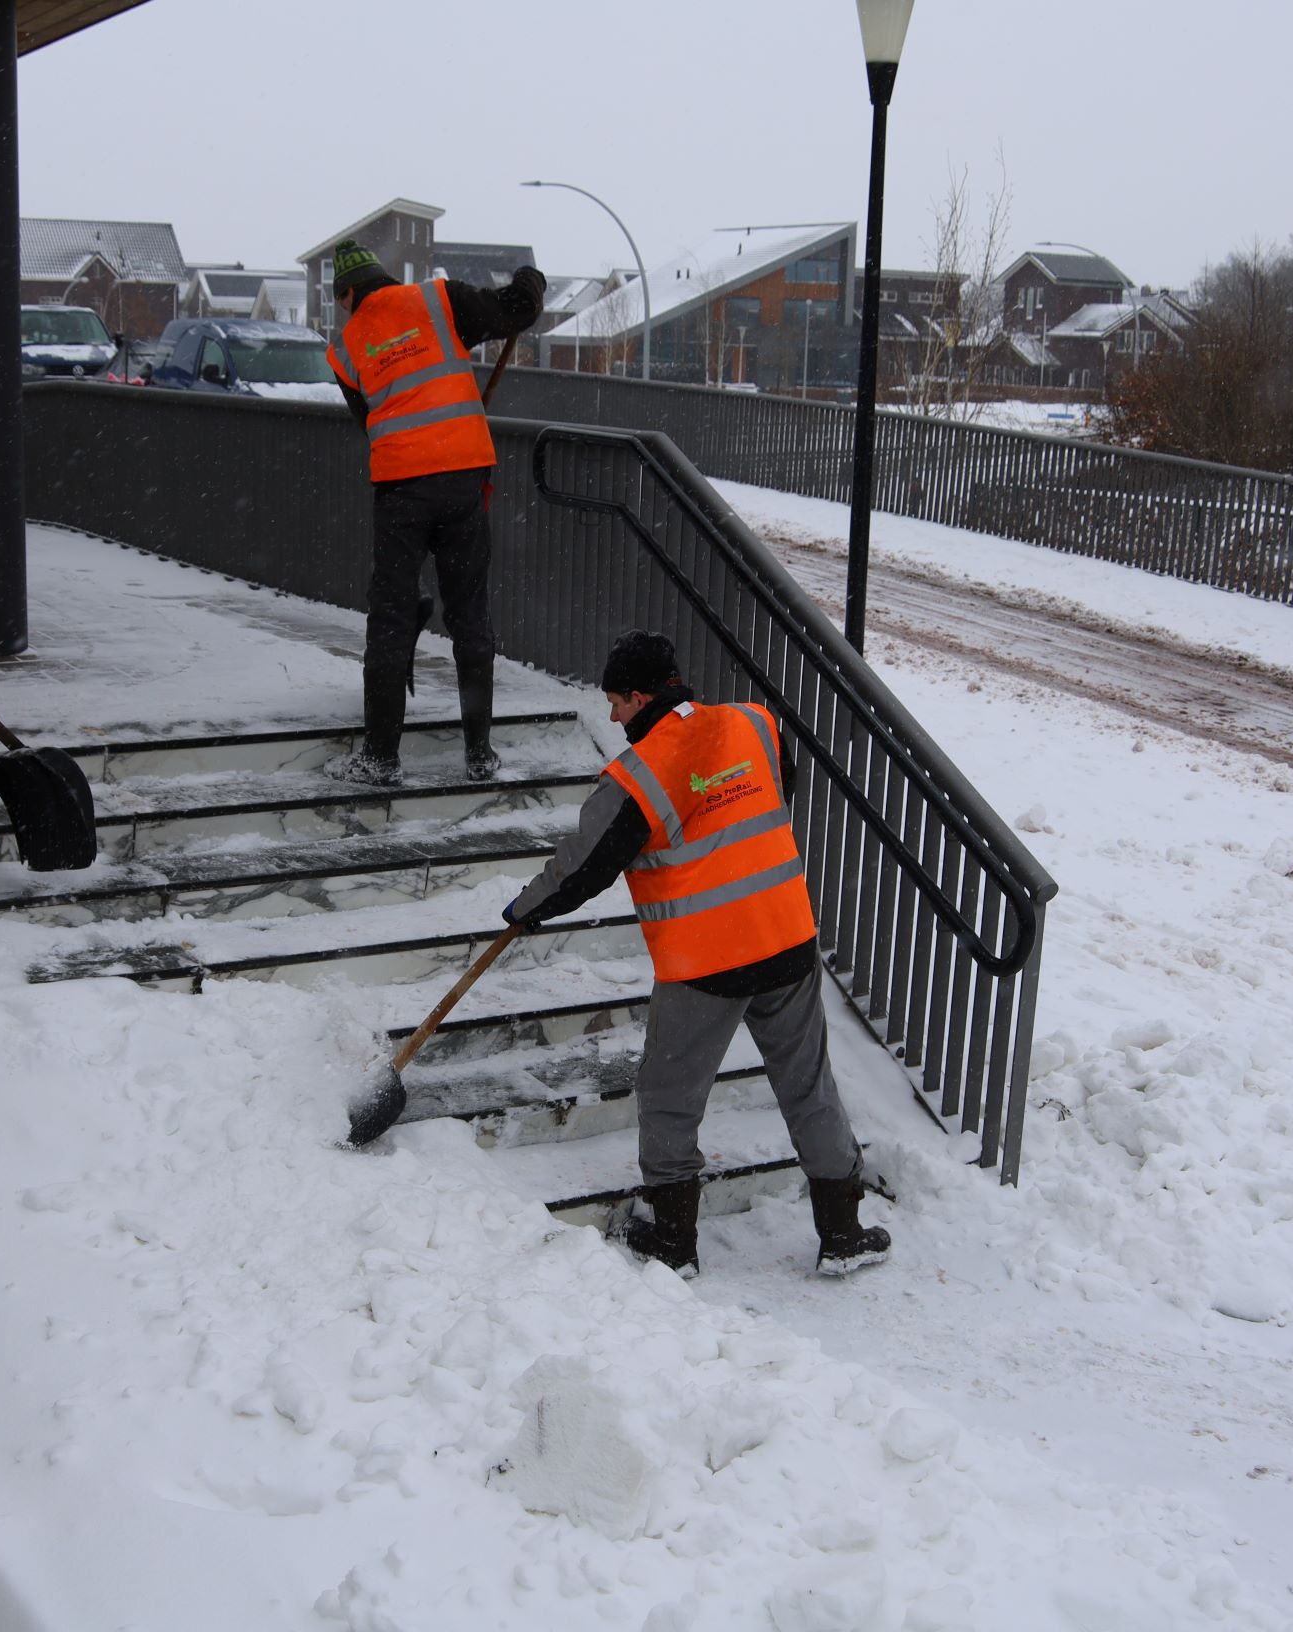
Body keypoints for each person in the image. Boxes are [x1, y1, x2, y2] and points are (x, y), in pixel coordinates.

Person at [503, 631, 892, 1279]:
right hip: (785, 939)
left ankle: (672, 1242)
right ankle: (843, 1232)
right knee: (808, 1087)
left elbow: (582, 870)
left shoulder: (636, 777)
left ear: (639, 696)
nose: (611, 718)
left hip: (705, 962)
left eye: (615, 704)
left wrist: (526, 908)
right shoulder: (754, 724)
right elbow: (774, 794)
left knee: (669, 1099)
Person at [321, 239, 546, 785]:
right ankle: (478, 754)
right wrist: (529, 281)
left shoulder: (346, 347)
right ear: (385, 277)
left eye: (343, 300)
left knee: (390, 617)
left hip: (400, 487)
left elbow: (370, 419)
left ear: (348, 294)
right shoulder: (437, 300)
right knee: (469, 611)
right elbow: (517, 312)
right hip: (464, 475)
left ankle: (379, 758)